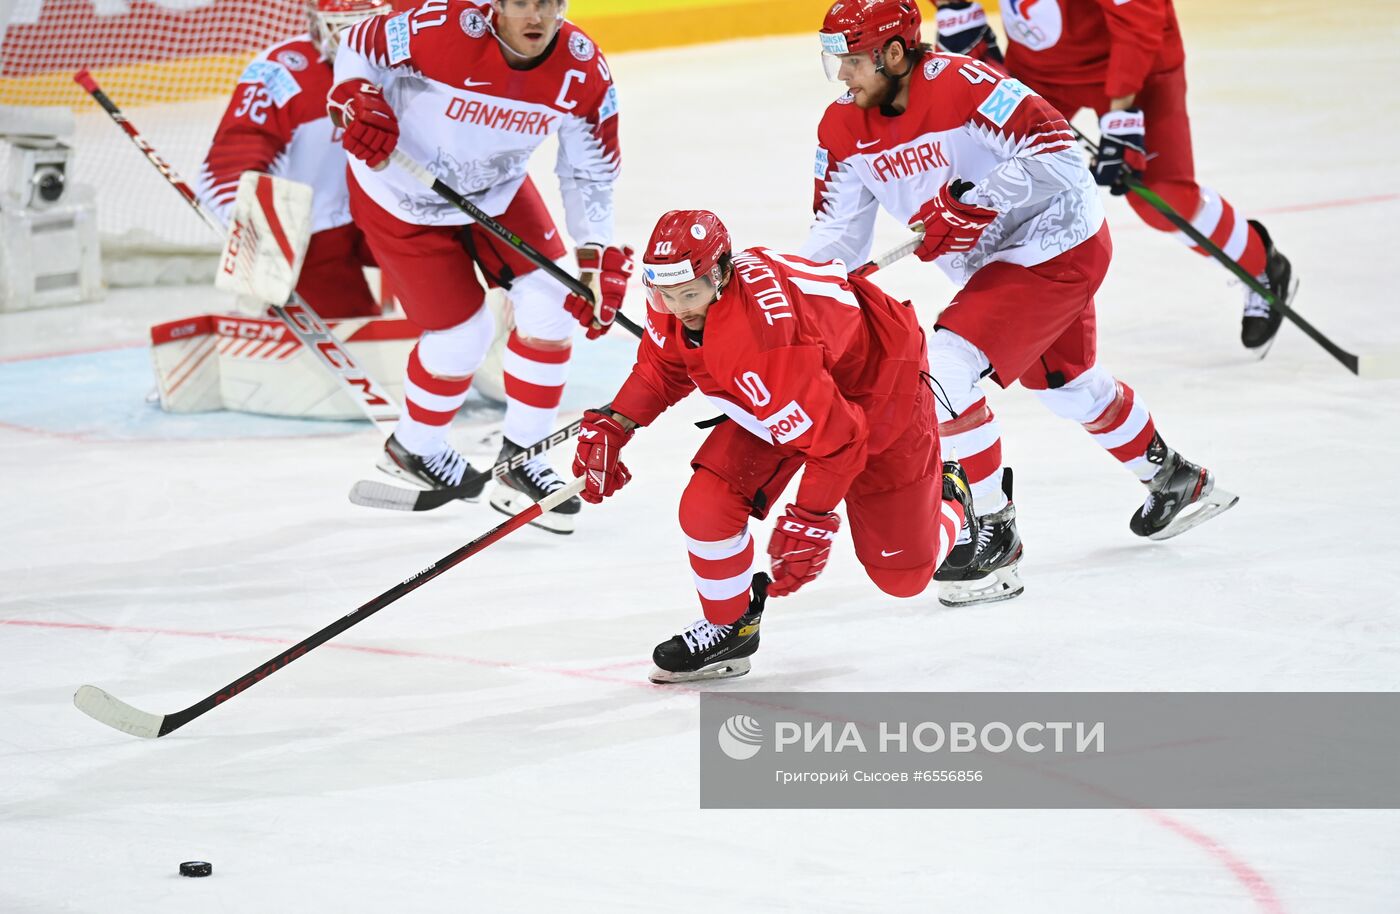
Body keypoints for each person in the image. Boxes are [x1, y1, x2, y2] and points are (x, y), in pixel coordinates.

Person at [802, 0, 1237, 607]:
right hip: (997, 263)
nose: (842, 77)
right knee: (1066, 382)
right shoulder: (841, 129)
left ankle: (994, 532)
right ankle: (1176, 480)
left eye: (850, 62)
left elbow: (1059, 152)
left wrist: (976, 201)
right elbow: (835, 240)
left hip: (1057, 241)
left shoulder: (966, 84)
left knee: (947, 364)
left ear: (894, 54)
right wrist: (797, 293)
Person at [570, 210, 977, 683]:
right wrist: (616, 424)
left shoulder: (761, 343)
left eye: (689, 294)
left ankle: (951, 498)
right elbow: (664, 367)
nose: (678, 306)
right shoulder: (676, 297)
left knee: (903, 575)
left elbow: (840, 440)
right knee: (706, 508)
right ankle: (731, 627)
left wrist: (811, 518)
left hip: (879, 385)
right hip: (793, 388)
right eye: (666, 293)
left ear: (720, 273)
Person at [330, 0, 632, 533]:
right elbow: (360, 46)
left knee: (556, 307)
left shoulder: (583, 70)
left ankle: (522, 460)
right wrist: (354, 95)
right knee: (463, 335)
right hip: (400, 193)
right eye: (520, 2)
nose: (535, 15)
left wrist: (594, 252)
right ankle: (413, 448)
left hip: (497, 191)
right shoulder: (441, 27)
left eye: (548, 3)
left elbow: (591, 173)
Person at [932, 0, 1294, 353]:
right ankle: (1009, 304)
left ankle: (1261, 264)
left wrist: (1121, 120)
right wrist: (955, 9)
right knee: (990, 171)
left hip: (1138, 64)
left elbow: (1139, 20)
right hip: (1042, 70)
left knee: (1163, 197)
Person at [197, 0, 391, 319]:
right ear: (316, 24)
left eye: (370, 26)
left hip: (395, 214)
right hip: (317, 233)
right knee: (344, 325)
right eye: (344, 28)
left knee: (450, 292)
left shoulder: (411, 63)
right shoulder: (281, 73)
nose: (359, 42)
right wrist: (251, 223)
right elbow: (229, 164)